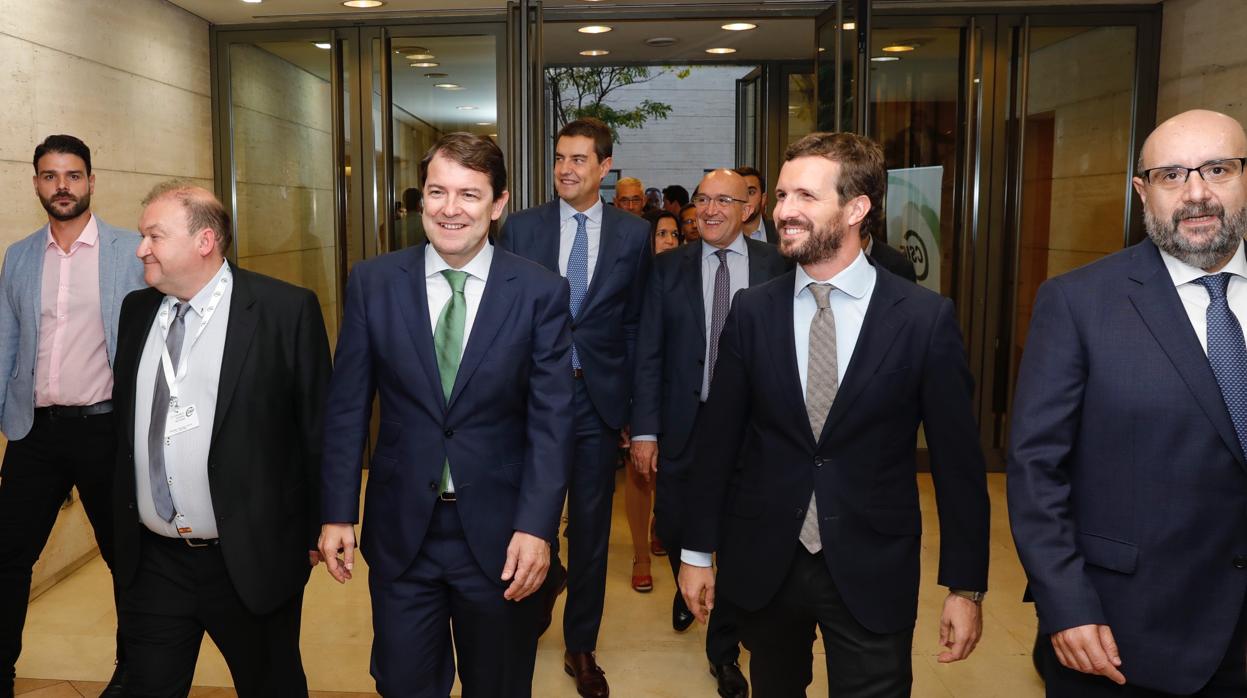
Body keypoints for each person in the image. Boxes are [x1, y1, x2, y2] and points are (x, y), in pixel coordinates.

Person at [679, 132, 990, 697]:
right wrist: (697, 552)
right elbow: (718, 441)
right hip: (768, 562)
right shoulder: (753, 312)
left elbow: (959, 465)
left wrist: (965, 588)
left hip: (873, 565)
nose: (783, 213)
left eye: (805, 197)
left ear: (856, 209)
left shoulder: (923, 319)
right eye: (780, 196)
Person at [320, 132, 573, 697]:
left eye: (469, 194)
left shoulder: (539, 292)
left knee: (500, 685)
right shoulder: (374, 282)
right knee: (405, 684)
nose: (450, 209)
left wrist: (537, 528)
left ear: (498, 203)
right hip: (402, 533)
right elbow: (346, 408)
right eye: (437, 192)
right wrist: (337, 511)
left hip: (503, 539)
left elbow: (552, 422)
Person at [1008, 108, 1247, 697]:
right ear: (1143, 191)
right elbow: (1037, 470)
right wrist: (1065, 604)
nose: (1196, 193)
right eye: (1171, 176)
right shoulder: (1078, 303)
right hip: (1125, 634)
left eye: (1217, 169)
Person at [111, 181, 331, 695]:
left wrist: (323, 522)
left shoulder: (284, 310)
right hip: (154, 559)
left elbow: (318, 428)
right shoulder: (136, 312)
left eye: (154, 236)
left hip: (249, 559)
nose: (141, 248)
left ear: (204, 241)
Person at [498, 117, 651, 698]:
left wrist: (636, 410)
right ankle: (532, 597)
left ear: (604, 167)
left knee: (590, 530)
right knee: (528, 518)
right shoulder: (522, 228)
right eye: (560, 157)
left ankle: (581, 644)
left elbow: (635, 325)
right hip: (529, 400)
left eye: (580, 159)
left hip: (595, 400)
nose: (566, 168)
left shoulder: (633, 236)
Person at [632, 169, 790, 698]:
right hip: (685, 424)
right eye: (703, 199)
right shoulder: (667, 268)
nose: (712, 209)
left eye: (726, 199)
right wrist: (646, 431)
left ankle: (721, 649)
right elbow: (649, 351)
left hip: (755, 429)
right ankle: (689, 570)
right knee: (675, 525)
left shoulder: (778, 266)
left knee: (741, 536)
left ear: (750, 207)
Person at [0, 135, 145, 698]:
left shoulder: (129, 251)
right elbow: (8, 343)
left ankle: (131, 671)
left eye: (73, 175)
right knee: (9, 558)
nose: (62, 186)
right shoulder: (19, 256)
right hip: (35, 432)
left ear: (91, 180)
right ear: (36, 182)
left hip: (107, 430)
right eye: (50, 175)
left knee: (124, 559)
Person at [735, 166, 779, 244]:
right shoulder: (720, 234)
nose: (745, 199)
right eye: (738, 192)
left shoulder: (781, 233)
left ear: (763, 199)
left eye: (751, 192)